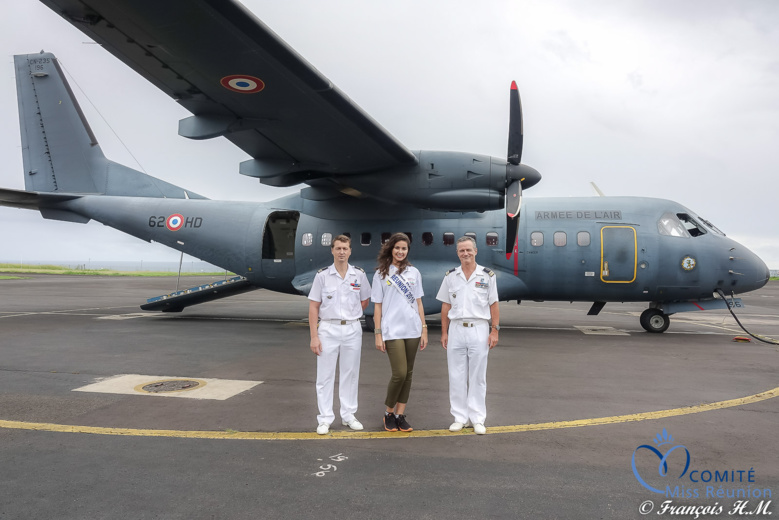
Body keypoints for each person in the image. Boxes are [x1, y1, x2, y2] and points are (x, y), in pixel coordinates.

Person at [436, 236, 500, 435]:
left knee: (478, 376)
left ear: (475, 251)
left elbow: (494, 304)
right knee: (456, 375)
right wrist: (444, 332)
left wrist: (495, 330)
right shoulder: (451, 276)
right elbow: (445, 305)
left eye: (468, 250)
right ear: (457, 253)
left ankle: (478, 418)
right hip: (456, 329)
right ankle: (459, 417)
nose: (465, 254)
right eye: (461, 251)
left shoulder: (487, 276)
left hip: (478, 328)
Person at [308, 234, 371, 435]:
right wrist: (314, 336)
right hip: (328, 328)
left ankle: (348, 415)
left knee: (350, 374)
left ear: (350, 251)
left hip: (352, 328)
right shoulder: (322, 276)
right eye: (338, 248)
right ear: (332, 251)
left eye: (345, 248)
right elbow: (313, 307)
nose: (342, 252)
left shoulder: (358, 275)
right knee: (325, 376)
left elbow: (364, 301)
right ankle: (325, 418)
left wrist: (351, 315)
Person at [371, 233, 428, 432]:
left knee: (409, 374)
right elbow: (377, 307)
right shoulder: (380, 274)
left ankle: (399, 414)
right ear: (390, 249)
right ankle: (388, 412)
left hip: (412, 329)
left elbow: (419, 302)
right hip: (391, 329)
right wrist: (378, 333)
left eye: (404, 248)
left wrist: (424, 328)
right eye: (397, 248)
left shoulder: (414, 273)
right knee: (399, 373)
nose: (400, 252)